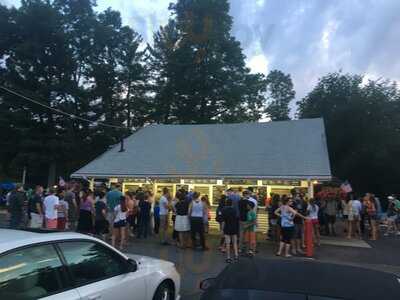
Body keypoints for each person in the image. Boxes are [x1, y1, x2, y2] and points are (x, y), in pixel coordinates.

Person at [221, 198, 239, 263]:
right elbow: (237, 219)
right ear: (232, 204)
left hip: (227, 227)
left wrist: (222, 229)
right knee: (234, 242)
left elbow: (223, 221)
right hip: (234, 227)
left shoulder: (223, 210)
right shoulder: (234, 210)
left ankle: (228, 257)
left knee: (228, 243)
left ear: (226, 203)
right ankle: (236, 255)